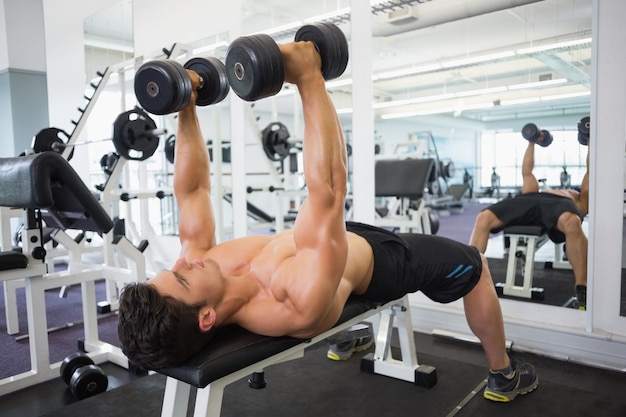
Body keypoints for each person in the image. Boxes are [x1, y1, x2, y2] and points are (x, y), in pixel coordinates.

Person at [117, 39, 538, 403]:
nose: (183, 262)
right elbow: (328, 191)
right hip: (383, 261)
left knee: (324, 235)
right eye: (183, 278)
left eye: (170, 270)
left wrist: (186, 107)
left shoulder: (201, 266)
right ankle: (504, 374)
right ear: (206, 317)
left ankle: (356, 335)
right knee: (476, 265)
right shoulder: (291, 300)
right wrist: (310, 78)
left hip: (332, 244)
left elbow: (190, 191)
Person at [469, 127, 589, 309]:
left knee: (572, 223)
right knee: (484, 217)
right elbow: (527, 171)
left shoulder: (579, 198)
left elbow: (590, 171)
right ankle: (468, 273)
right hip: (531, 199)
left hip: (559, 204)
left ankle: (582, 289)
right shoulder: (538, 189)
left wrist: (589, 142)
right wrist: (532, 141)